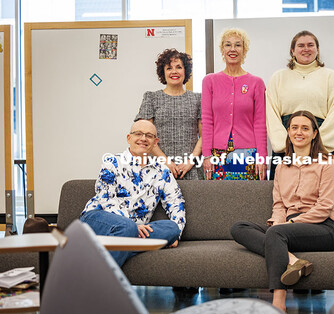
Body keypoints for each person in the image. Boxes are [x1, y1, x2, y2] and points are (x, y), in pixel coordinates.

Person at [231, 110, 334, 311]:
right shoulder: (282, 166)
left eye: (305, 128)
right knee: (239, 228)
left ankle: (278, 302)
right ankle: (295, 261)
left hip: (322, 227)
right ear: (288, 132)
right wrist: (279, 221)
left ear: (314, 134)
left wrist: (287, 224)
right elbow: (279, 204)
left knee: (276, 232)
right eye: (294, 127)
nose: (299, 132)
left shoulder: (327, 162)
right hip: (288, 228)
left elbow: (324, 207)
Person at [81, 120, 185, 267]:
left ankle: (109, 248)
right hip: (98, 218)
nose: (143, 138)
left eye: (149, 135)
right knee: (127, 228)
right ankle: (102, 281)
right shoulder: (112, 162)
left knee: (172, 228)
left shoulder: (162, 171)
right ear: (129, 138)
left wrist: (177, 234)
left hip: (135, 230)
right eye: (138, 134)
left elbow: (176, 202)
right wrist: (132, 226)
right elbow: (106, 198)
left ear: (155, 142)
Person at [266, 30, 334, 180]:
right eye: (301, 45)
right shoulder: (278, 78)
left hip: (323, 145)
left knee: (326, 193)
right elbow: (271, 113)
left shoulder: (331, 77)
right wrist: (287, 143)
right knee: (285, 193)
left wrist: (318, 143)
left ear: (317, 49)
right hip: (287, 145)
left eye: (311, 45)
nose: (306, 49)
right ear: (292, 51)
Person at [201, 28, 267, 180]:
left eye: (238, 45)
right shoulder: (209, 81)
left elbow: (260, 122)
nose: (232, 49)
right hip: (216, 154)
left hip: (249, 153)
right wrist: (206, 155)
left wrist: (262, 157)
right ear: (222, 50)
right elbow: (207, 120)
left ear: (244, 50)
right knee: (218, 199)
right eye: (227, 45)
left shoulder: (256, 82)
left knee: (247, 199)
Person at [135, 48, 203, 180]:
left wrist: (190, 161)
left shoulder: (198, 99)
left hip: (191, 169)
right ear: (163, 72)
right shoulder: (151, 98)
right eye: (169, 68)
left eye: (179, 67)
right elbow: (146, 136)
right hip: (157, 168)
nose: (174, 72)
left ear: (186, 71)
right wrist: (165, 162)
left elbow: (204, 135)